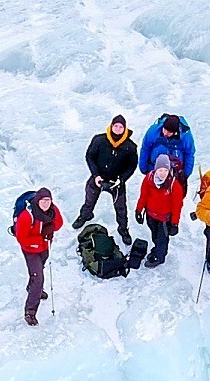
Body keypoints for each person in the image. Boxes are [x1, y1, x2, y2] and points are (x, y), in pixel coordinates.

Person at [75, 116, 140, 243]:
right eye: (115, 126)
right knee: (89, 200)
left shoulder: (130, 147)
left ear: (124, 128)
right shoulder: (99, 140)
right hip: (98, 177)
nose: (118, 129)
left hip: (116, 182)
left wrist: (121, 179)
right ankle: (84, 216)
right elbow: (90, 156)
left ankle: (123, 229)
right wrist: (95, 175)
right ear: (111, 126)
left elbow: (132, 165)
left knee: (121, 208)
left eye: (121, 127)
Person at [13, 188, 63, 325]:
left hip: (46, 247)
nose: (46, 203)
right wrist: (40, 240)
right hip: (30, 249)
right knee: (38, 278)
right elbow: (22, 238)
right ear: (37, 201)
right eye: (43, 200)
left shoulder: (53, 210)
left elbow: (59, 224)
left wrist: (50, 228)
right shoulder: (27, 215)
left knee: (39, 269)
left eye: (48, 200)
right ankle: (30, 311)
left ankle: (33, 288)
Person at [134, 154, 186, 268]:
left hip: (164, 219)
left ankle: (159, 257)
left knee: (162, 239)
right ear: (156, 169)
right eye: (160, 170)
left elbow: (177, 205)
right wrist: (138, 210)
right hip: (151, 215)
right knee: (155, 235)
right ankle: (157, 250)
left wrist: (174, 223)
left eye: (165, 170)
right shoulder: (148, 179)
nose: (162, 173)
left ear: (169, 170)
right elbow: (143, 195)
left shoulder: (174, 185)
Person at [139, 113, 195, 181]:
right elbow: (145, 148)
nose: (165, 133)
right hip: (154, 169)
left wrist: (186, 174)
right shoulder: (153, 131)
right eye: (164, 129)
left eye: (169, 132)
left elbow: (189, 154)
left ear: (175, 132)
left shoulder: (186, 137)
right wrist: (143, 168)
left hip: (176, 173)